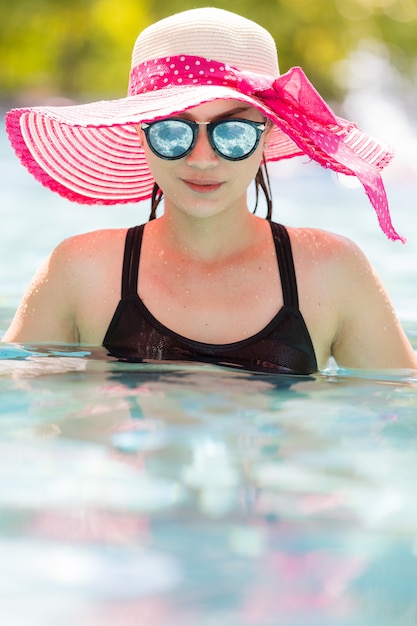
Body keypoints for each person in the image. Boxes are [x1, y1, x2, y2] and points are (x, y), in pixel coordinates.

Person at [3, 7, 417, 374]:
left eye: (233, 131)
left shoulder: (331, 272)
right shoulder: (81, 271)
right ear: (140, 132)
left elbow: (399, 420)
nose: (202, 159)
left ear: (268, 134)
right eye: (171, 129)